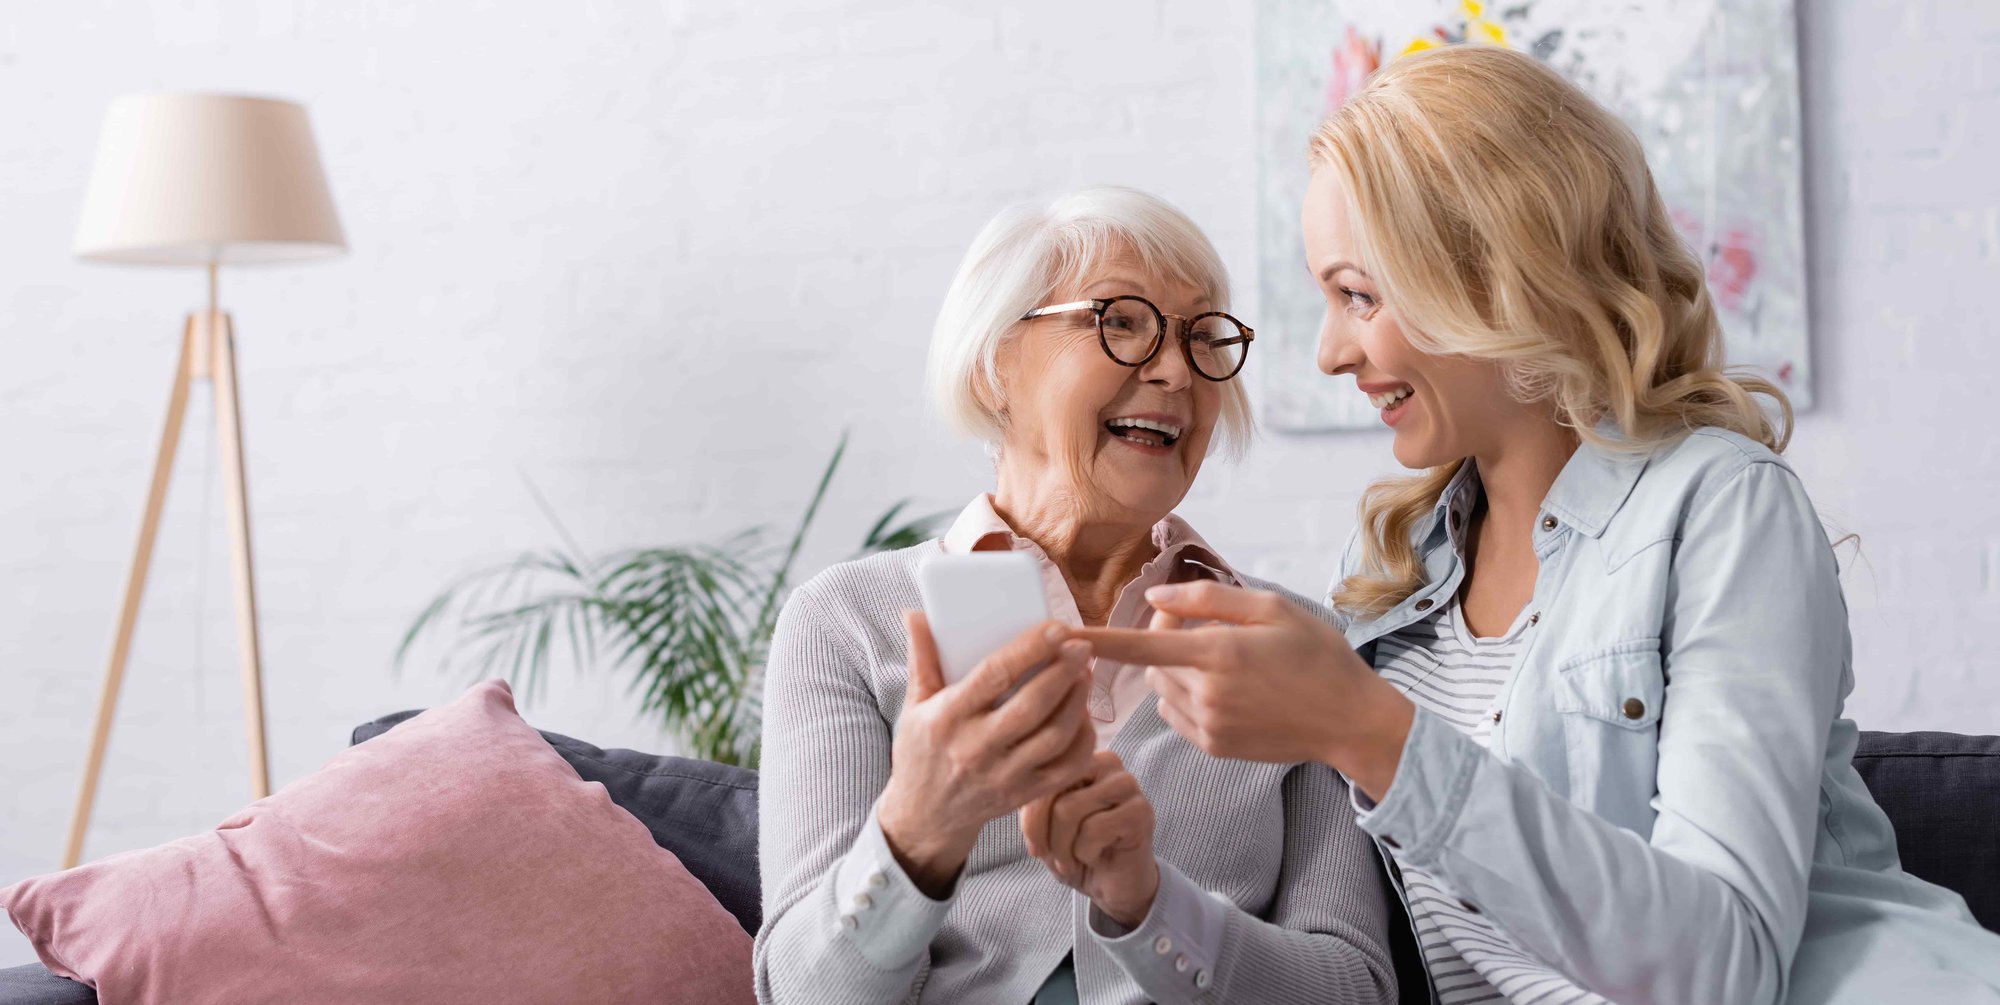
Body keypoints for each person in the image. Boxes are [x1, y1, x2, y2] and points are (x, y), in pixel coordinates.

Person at [1080, 45, 2000, 1005]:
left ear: (1495, 276)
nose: (1328, 352)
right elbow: (1351, 974)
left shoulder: (1721, 506)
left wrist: (1368, 731)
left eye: (1359, 294)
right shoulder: (1385, 571)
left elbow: (1722, 966)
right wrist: (1143, 898)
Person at [754, 187, 1397, 1004]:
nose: (1174, 370)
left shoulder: (1296, 644)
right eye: (1121, 321)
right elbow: (805, 993)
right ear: (996, 365)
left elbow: (1356, 988)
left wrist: (1151, 905)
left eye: (1201, 336)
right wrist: (916, 831)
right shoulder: (845, 623)